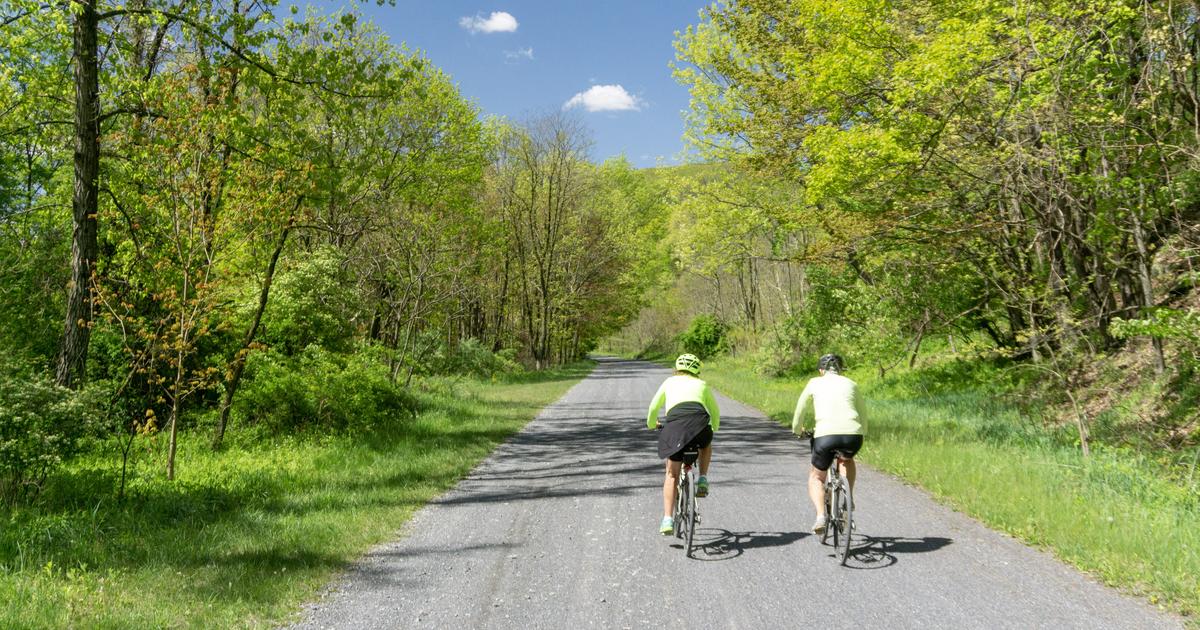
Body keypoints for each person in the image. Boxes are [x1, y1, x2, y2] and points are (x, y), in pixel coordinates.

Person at [646, 353, 720, 535]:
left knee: (671, 475)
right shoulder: (702, 384)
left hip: (675, 428)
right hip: (700, 426)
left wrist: (651, 424)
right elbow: (715, 412)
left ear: (676, 369)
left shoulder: (669, 382)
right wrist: (713, 430)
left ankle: (667, 520)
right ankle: (702, 478)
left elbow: (653, 407)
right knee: (706, 444)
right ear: (697, 371)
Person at [791, 353, 865, 535]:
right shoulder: (851, 383)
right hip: (852, 436)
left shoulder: (814, 382)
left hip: (825, 436)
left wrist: (796, 429)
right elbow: (863, 414)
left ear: (821, 370)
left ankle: (821, 517)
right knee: (846, 460)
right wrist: (862, 432)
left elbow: (801, 408)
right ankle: (848, 498)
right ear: (840, 370)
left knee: (816, 477)